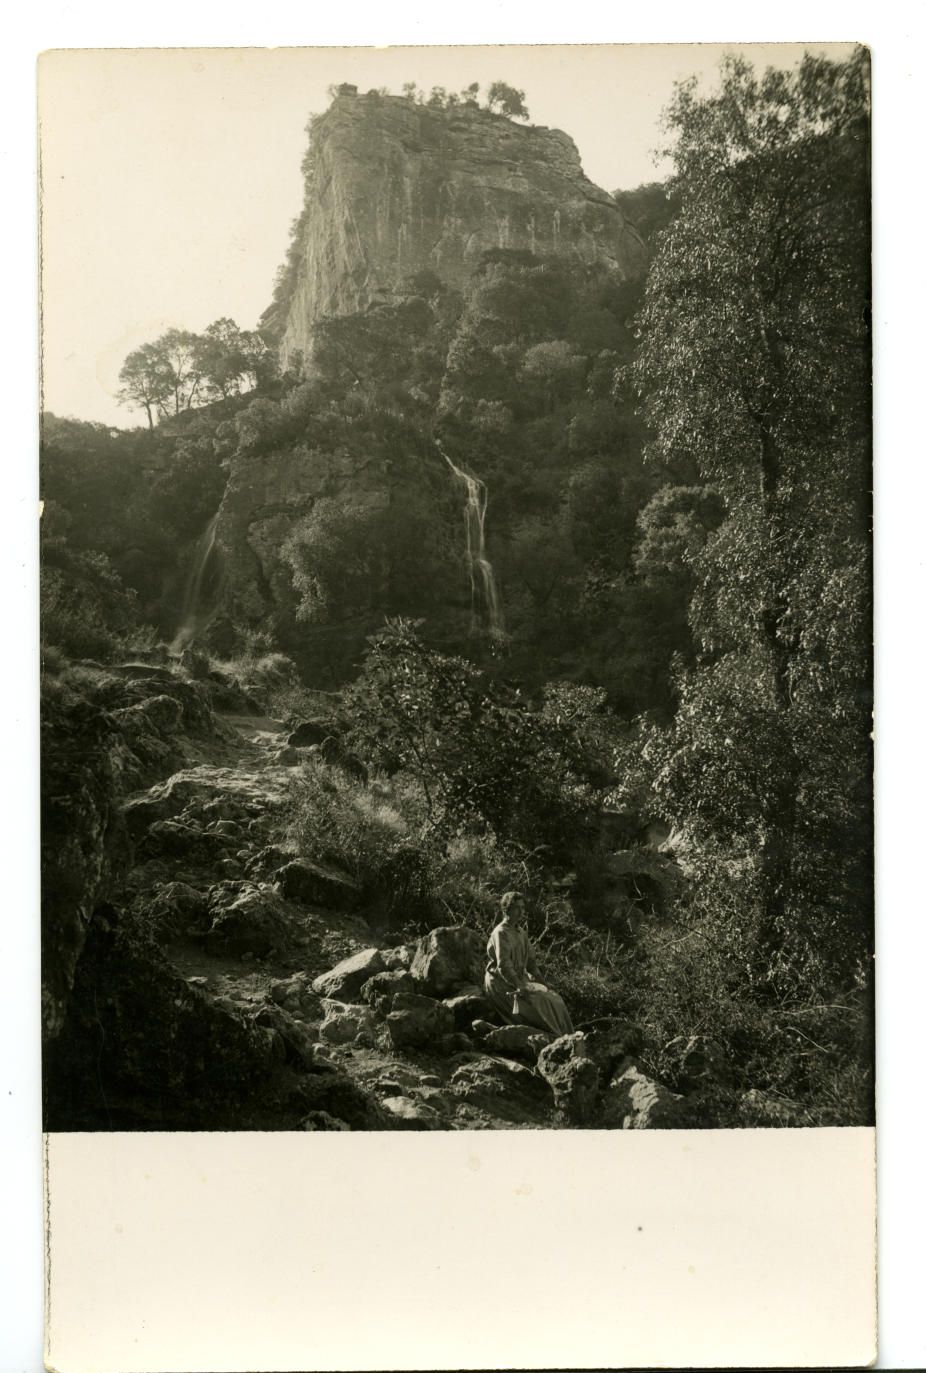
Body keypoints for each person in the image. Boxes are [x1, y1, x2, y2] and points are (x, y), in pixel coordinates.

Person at [484, 891, 574, 1038]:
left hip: (519, 979)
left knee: (554, 999)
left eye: (522, 908)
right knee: (539, 1003)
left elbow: (531, 963)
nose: (521, 912)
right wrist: (519, 984)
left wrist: (543, 983)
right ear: (506, 909)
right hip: (501, 982)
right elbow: (504, 965)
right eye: (516, 908)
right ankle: (556, 1039)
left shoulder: (521, 933)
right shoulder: (501, 933)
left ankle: (569, 1038)